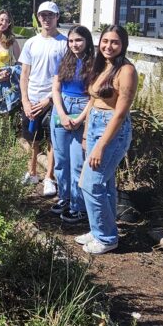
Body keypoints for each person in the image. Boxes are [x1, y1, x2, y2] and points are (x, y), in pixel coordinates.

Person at [75, 25, 137, 255]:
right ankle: (99, 229)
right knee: (106, 184)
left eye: (114, 42)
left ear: (123, 45)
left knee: (90, 183)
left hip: (112, 130)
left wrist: (101, 145)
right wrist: (86, 133)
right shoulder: (102, 66)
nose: (108, 46)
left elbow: (120, 113)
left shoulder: (126, 71)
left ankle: (107, 238)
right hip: (95, 126)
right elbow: (93, 102)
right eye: (105, 41)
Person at [19, 1, 67, 194]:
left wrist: (49, 99)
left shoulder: (64, 43)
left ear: (57, 17)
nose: (46, 19)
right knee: (32, 138)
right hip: (32, 97)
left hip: (53, 99)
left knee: (52, 139)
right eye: (43, 15)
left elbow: (65, 75)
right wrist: (25, 100)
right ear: (38, 18)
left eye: (51, 15)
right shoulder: (31, 42)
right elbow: (24, 74)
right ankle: (31, 172)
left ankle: (49, 177)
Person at [49, 25, 94, 225]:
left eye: (79, 40)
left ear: (87, 41)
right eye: (71, 40)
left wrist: (81, 118)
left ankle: (78, 206)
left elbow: (94, 96)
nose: (74, 44)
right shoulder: (63, 59)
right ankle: (64, 197)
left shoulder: (94, 63)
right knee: (60, 158)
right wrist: (61, 113)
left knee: (77, 162)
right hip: (62, 106)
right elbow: (56, 88)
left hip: (83, 107)